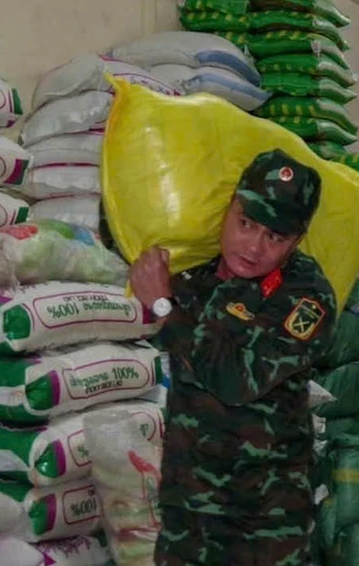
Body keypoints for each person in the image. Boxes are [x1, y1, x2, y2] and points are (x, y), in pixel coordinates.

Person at [128, 149, 336, 566]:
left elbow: (235, 380)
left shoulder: (305, 297)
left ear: (296, 240)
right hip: (188, 513)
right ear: (228, 209)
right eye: (246, 224)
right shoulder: (194, 281)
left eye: (275, 237)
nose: (255, 247)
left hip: (264, 524)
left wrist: (165, 309)